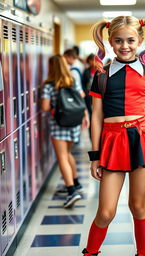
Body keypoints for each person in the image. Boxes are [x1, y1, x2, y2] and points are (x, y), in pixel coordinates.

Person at [82, 16, 145, 256]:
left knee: (138, 206)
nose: (125, 46)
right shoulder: (101, 75)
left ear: (141, 40)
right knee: (106, 211)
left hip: (142, 140)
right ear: (110, 41)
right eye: (118, 41)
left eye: (131, 40)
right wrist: (95, 155)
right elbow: (96, 117)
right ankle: (90, 253)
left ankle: (143, 254)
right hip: (112, 142)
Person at [41, 55, 87, 208]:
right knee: (67, 154)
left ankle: (71, 192)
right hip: (74, 122)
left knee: (61, 157)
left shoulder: (49, 85)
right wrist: (85, 116)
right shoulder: (72, 81)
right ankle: (76, 183)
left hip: (59, 124)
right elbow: (82, 98)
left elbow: (46, 108)